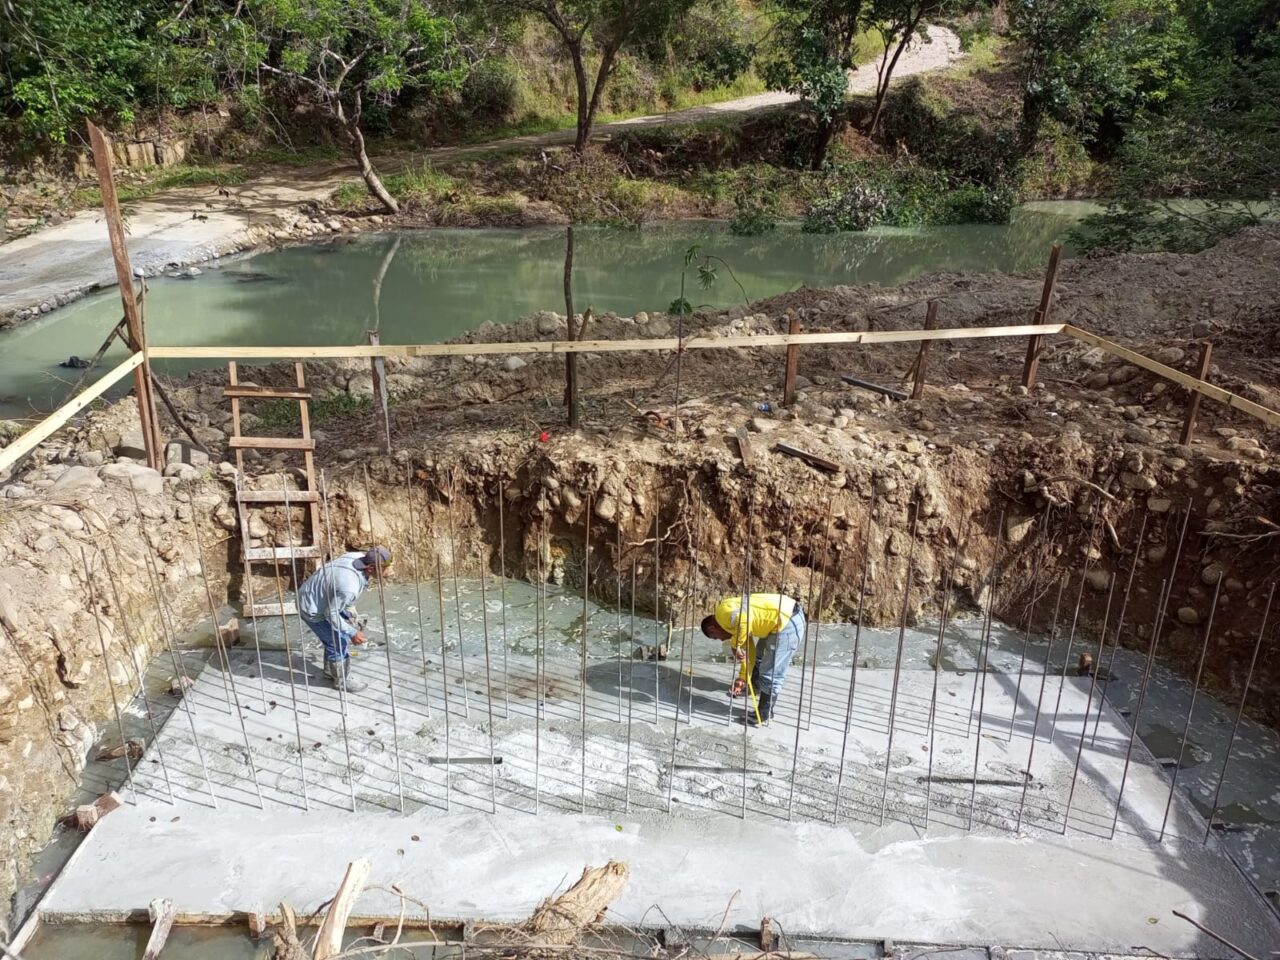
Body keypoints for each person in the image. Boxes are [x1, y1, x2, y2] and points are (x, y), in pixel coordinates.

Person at [701, 593, 805, 726]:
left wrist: (735, 645)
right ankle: (755, 685)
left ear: (712, 628)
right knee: (759, 656)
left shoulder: (725, 616)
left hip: (788, 622)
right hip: (780, 617)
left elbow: (744, 620)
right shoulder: (732, 621)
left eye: (715, 637)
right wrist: (742, 678)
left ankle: (764, 713)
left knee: (771, 672)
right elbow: (749, 654)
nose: (721, 640)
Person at [297, 546, 392, 692]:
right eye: (385, 568)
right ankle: (342, 681)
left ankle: (330, 671)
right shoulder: (350, 586)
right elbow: (331, 614)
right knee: (337, 642)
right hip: (312, 608)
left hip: (319, 595)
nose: (389, 571)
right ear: (371, 568)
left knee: (339, 632)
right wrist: (352, 632)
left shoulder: (356, 556)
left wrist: (350, 613)